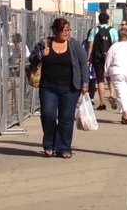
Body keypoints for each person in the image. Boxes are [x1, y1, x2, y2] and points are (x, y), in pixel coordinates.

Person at [29, 18, 89, 158]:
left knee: (66, 118)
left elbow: (83, 64)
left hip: (70, 88)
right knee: (48, 115)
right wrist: (41, 54)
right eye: (63, 30)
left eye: (68, 30)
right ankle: (49, 144)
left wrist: (84, 83)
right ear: (55, 30)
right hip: (48, 87)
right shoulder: (45, 44)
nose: (66, 33)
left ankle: (63, 147)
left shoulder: (74, 45)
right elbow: (31, 60)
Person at [87, 13, 119, 110]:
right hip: (110, 57)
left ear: (99, 20)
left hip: (98, 58)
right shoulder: (112, 30)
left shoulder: (94, 30)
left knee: (100, 80)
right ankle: (112, 96)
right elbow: (116, 45)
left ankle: (102, 103)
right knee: (110, 78)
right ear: (108, 20)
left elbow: (90, 46)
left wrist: (88, 58)